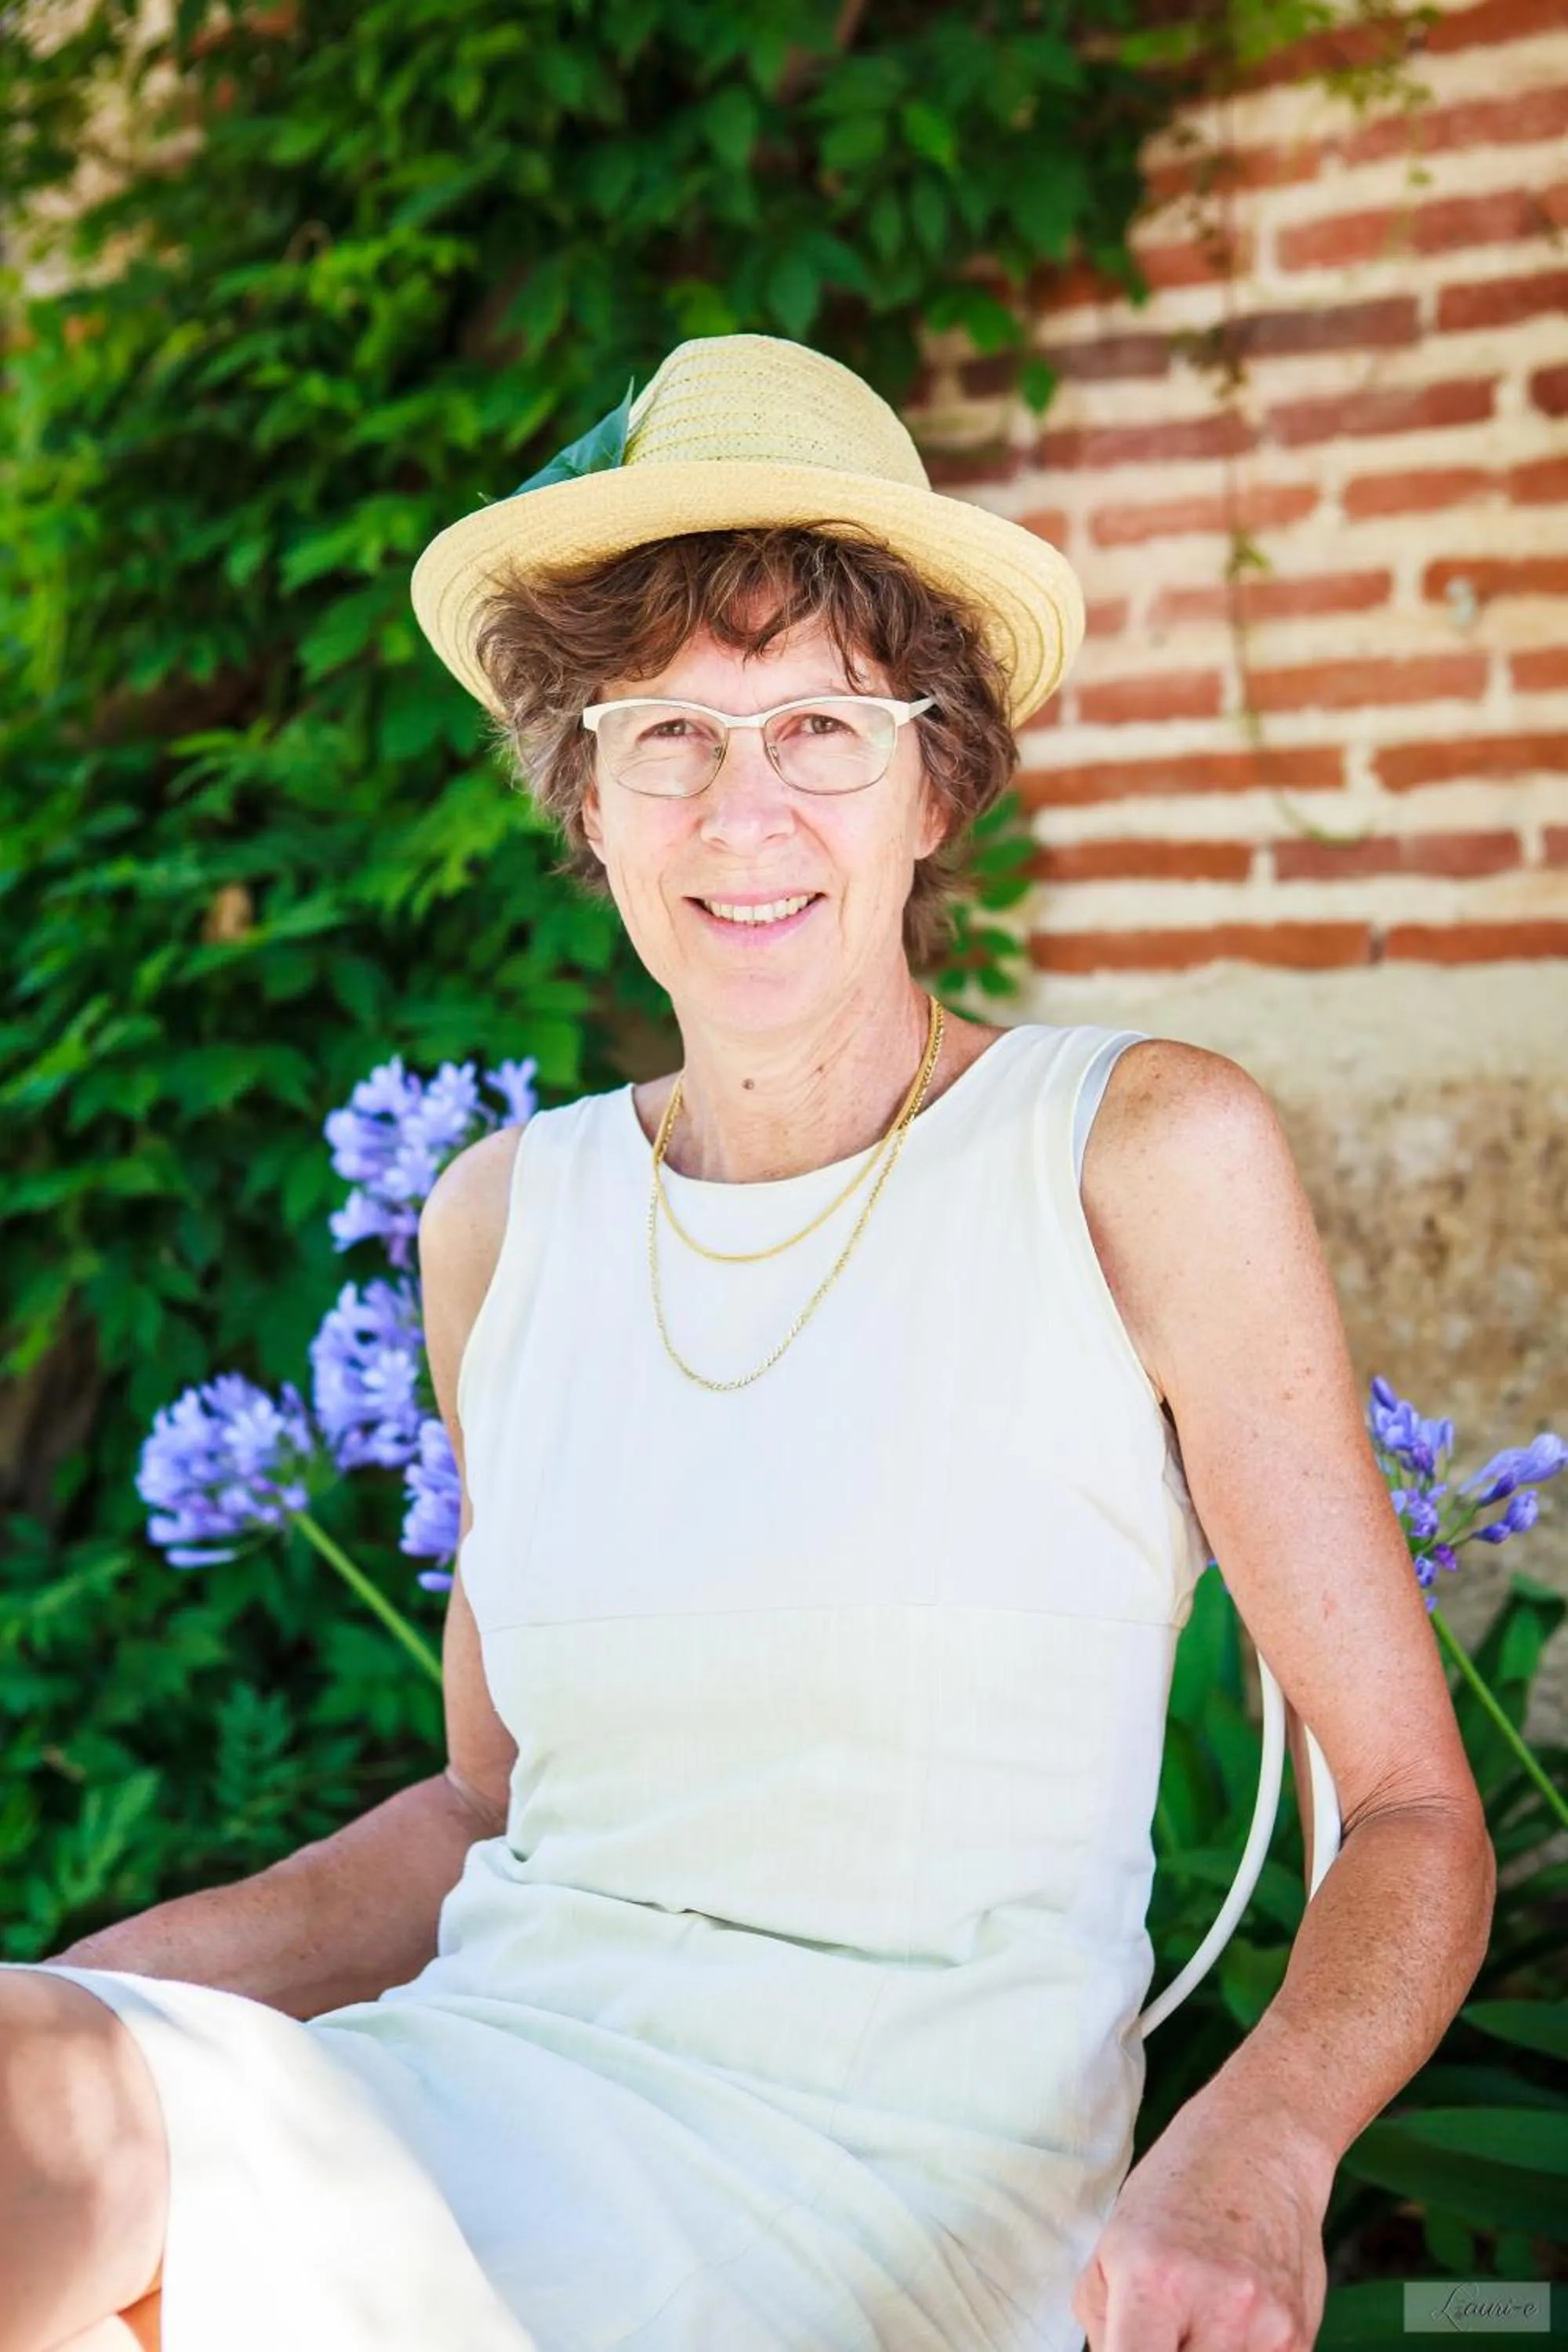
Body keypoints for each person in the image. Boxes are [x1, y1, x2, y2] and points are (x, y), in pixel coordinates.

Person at [1, 334, 1492, 2352]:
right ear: (586, 796)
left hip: (887, 2217)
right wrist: (75, 2007)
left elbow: (1406, 1806)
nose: (743, 811)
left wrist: (1260, 2146)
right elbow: (484, 1814)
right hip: (467, 2107)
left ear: (935, 779)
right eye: (667, 738)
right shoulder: (502, 1221)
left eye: (820, 728)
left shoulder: (1134, 1155)